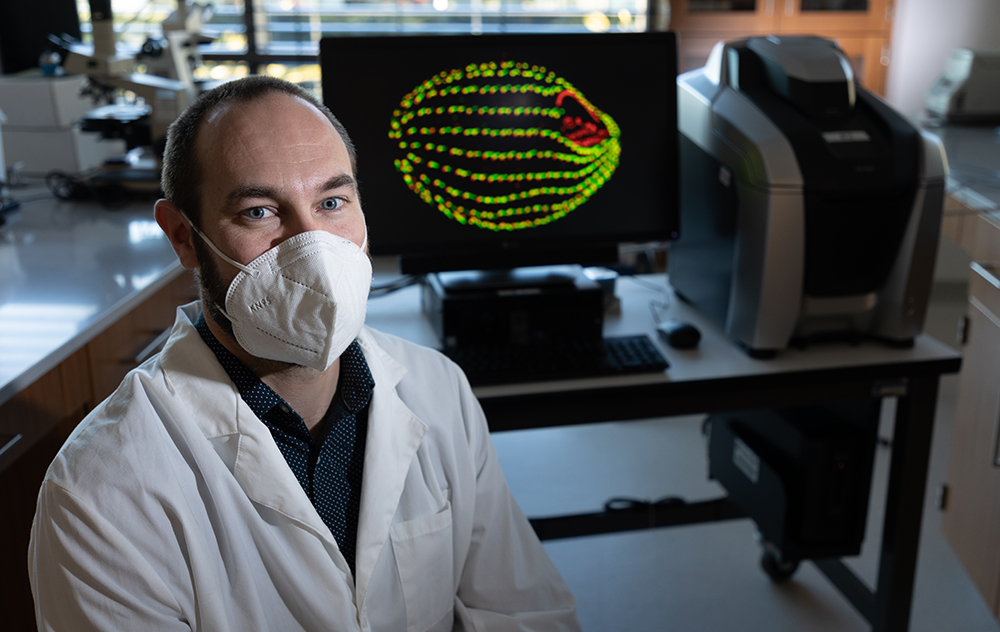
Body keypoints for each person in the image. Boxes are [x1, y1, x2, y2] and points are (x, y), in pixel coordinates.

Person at [29, 75, 581, 632]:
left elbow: (526, 613)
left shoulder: (438, 389)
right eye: (259, 212)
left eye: (332, 201)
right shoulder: (103, 488)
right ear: (182, 236)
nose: (312, 247)